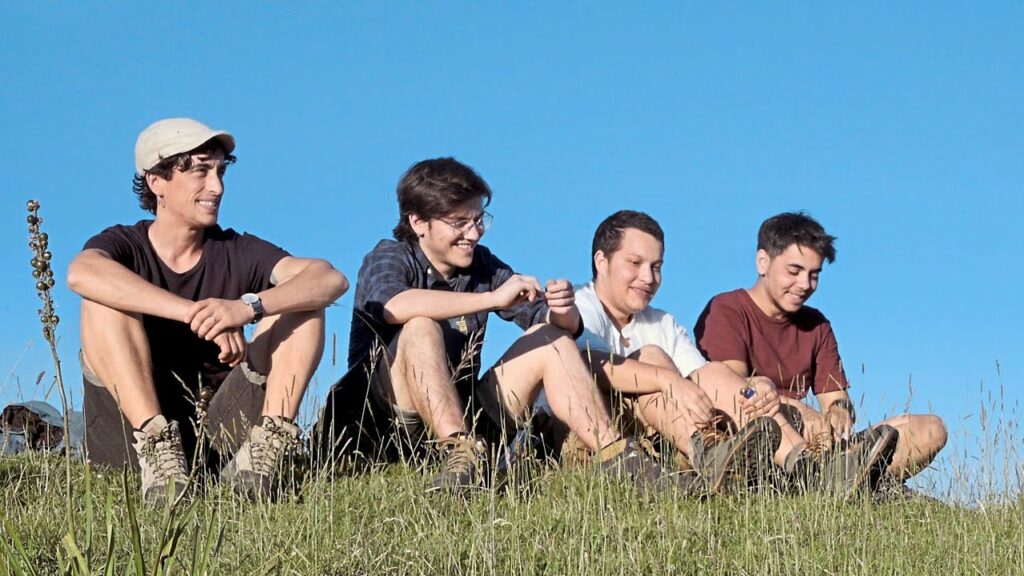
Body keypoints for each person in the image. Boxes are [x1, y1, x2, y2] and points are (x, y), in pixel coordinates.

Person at [316, 158, 688, 494]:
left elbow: (547, 319)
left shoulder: (483, 265)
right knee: (420, 327)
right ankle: (459, 452)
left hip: (467, 413)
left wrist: (562, 311)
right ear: (418, 222)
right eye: (459, 222)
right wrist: (492, 299)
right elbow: (394, 306)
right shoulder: (390, 255)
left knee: (550, 339)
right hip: (383, 425)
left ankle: (617, 456)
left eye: (478, 220)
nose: (474, 233)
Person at [67, 118, 348, 504]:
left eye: (220, 172)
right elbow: (81, 273)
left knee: (303, 301)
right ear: (156, 181)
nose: (217, 187)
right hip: (131, 440)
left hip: (214, 435)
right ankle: (159, 452)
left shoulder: (236, 249)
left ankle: (262, 455)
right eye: (200, 171)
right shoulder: (123, 243)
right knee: (101, 299)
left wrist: (246, 308)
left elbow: (330, 279)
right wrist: (196, 314)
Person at [695, 211, 946, 498]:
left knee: (931, 429)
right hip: (756, 435)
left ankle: (836, 479)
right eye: (794, 271)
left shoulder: (817, 324)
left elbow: (836, 397)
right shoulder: (727, 309)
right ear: (763, 262)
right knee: (779, 418)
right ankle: (846, 483)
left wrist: (838, 412)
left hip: (816, 443)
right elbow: (737, 390)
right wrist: (800, 410)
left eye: (814, 275)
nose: (805, 284)